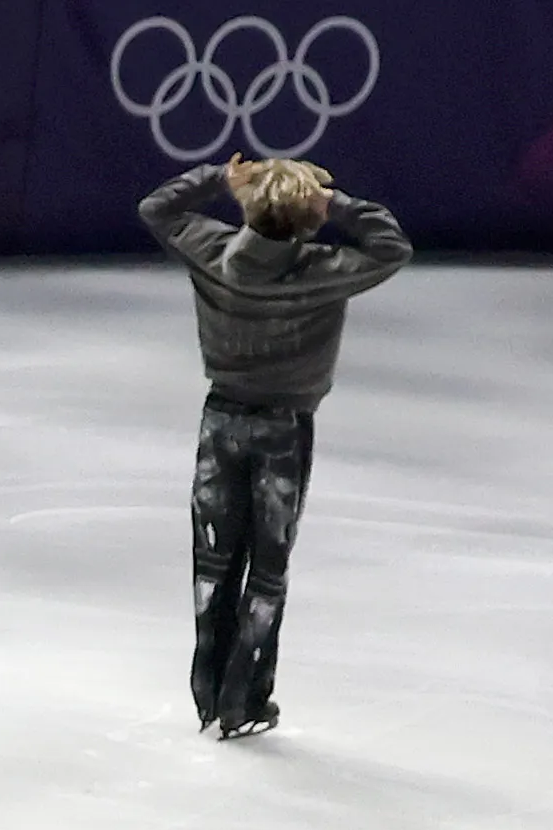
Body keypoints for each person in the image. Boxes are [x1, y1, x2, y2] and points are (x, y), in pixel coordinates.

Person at [141, 155, 409, 739]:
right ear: (308, 220)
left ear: (248, 208)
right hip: (284, 431)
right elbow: (392, 246)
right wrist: (333, 203)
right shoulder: (322, 268)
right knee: (267, 568)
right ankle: (246, 697)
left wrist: (218, 178)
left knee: (214, 563)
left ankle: (208, 691)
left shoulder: (211, 252)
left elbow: (156, 208)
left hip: (221, 421)